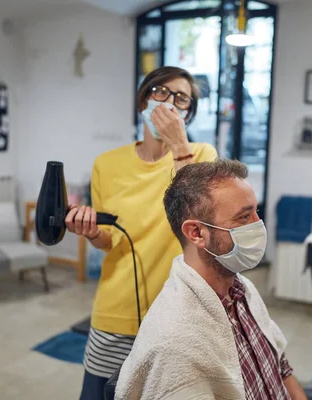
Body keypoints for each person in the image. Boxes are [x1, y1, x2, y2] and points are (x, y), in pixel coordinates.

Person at [64, 66, 218, 399]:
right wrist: (91, 232)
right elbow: (110, 239)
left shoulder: (202, 156)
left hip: (180, 314)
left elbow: (200, 220)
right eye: (160, 92)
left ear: (188, 114)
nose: (170, 103)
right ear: (143, 100)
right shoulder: (106, 163)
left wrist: (179, 144)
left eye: (181, 99)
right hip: (115, 309)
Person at [116, 159, 308, 400]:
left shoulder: (240, 289)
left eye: (255, 212)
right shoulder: (175, 343)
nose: (258, 225)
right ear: (196, 233)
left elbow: (280, 367)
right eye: (243, 217)